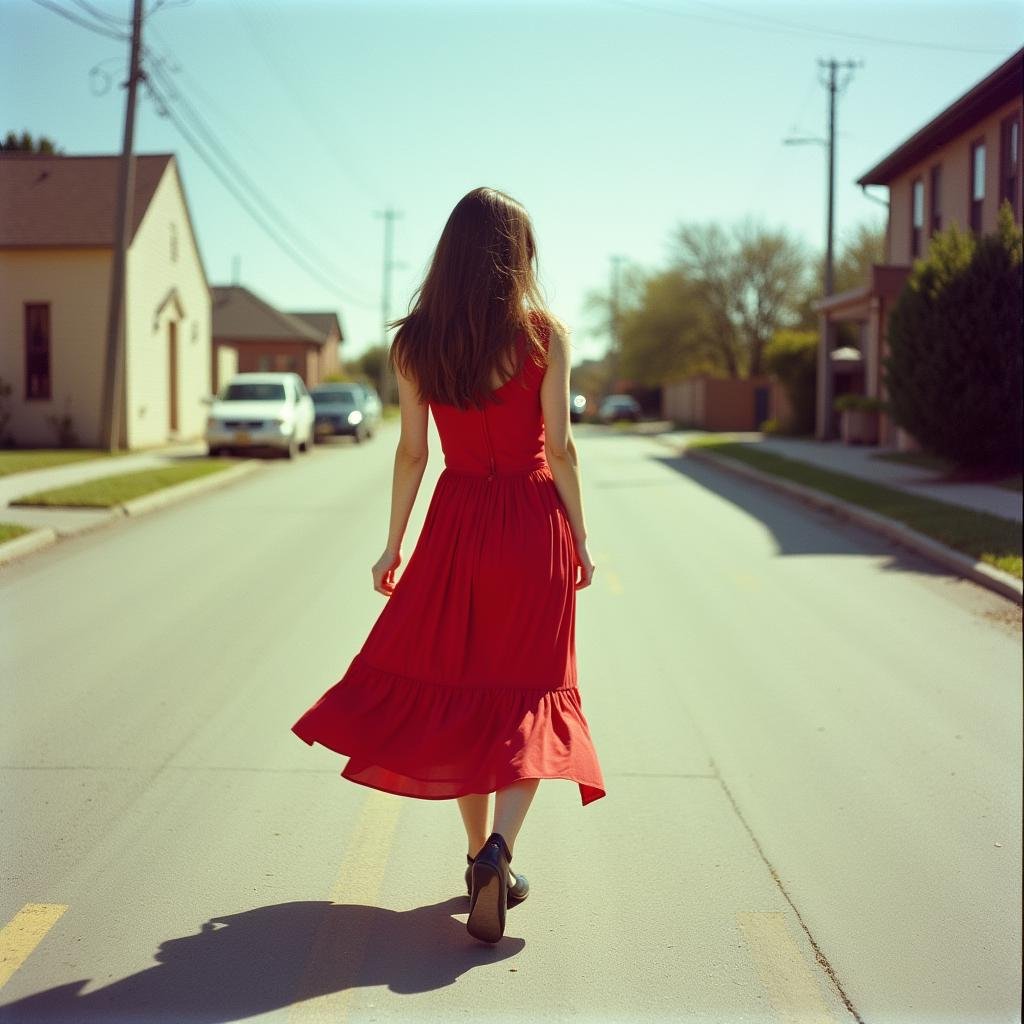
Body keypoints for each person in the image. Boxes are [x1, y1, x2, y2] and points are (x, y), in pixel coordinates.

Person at [291, 186, 605, 944]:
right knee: (529, 690)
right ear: (516, 256)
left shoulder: (416, 342)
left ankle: (476, 857)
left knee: (466, 689)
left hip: (457, 522)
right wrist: (584, 537)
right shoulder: (543, 336)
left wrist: (393, 544)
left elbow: (411, 453)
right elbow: (559, 447)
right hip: (533, 525)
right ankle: (501, 850)